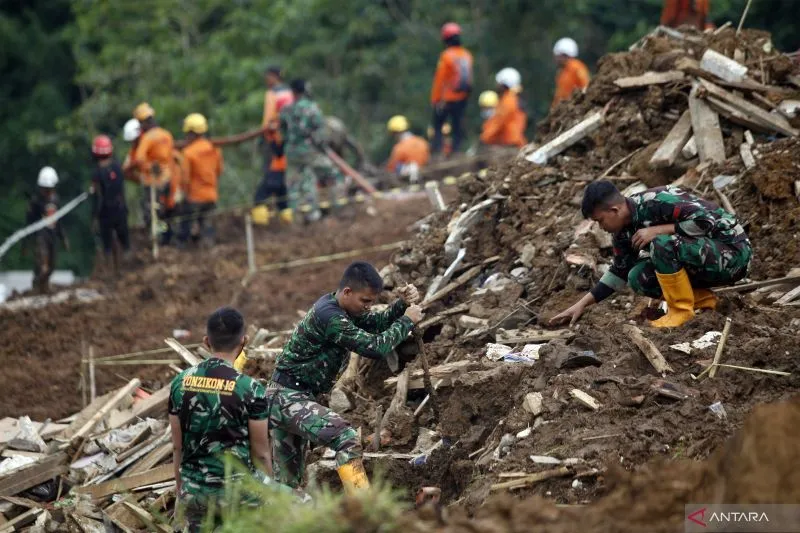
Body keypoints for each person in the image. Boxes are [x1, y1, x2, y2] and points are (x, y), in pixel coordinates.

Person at [267, 262, 424, 492]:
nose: (368, 307)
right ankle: (363, 512)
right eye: (365, 301)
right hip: (287, 397)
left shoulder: (344, 309)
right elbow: (375, 347)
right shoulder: (330, 316)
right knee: (345, 437)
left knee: (288, 484)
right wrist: (407, 320)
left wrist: (401, 305)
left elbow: (377, 324)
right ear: (347, 292)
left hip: (290, 397)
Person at [549, 181, 752, 329]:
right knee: (637, 276)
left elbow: (709, 222)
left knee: (661, 243)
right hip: (703, 260)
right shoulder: (622, 233)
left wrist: (659, 230)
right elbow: (619, 272)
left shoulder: (659, 201)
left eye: (600, 221)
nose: (601, 227)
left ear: (614, 210)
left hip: (733, 254)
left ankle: (681, 312)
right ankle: (709, 302)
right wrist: (581, 305)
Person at [169, 307, 275, 532]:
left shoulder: (179, 382)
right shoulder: (250, 389)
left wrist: (182, 491)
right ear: (244, 341)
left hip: (193, 492)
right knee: (305, 504)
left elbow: (177, 447)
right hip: (237, 494)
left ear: (206, 341)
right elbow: (262, 454)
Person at [280, 79, 345, 223]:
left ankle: (297, 218)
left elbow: (282, 132)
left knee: (294, 185)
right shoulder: (312, 108)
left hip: (291, 153)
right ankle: (337, 209)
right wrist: (321, 146)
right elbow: (320, 132)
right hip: (310, 151)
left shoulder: (286, 110)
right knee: (333, 174)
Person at [130, 103, 176, 233]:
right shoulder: (167, 134)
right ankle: (167, 235)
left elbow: (139, 159)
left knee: (151, 211)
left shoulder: (147, 138)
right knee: (165, 209)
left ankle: (156, 236)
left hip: (152, 181)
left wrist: (148, 166)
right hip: (167, 178)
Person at [179, 113, 223, 247]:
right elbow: (219, 170)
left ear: (191, 132)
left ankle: (185, 248)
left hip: (194, 197)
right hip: (211, 195)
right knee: (207, 227)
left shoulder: (188, 152)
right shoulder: (214, 148)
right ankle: (208, 250)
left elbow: (185, 178)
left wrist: (184, 194)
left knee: (185, 224)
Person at [430, 22, 473, 156]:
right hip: (462, 97)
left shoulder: (446, 56)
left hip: (447, 98)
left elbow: (440, 80)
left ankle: (437, 152)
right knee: (457, 125)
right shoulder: (467, 54)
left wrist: (436, 99)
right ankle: (456, 151)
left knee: (437, 125)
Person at [253, 91, 295, 226]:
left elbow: (278, 150)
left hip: (276, 169)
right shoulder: (294, 125)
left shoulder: (280, 127)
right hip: (285, 170)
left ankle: (261, 228)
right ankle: (288, 226)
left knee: (259, 198)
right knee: (282, 202)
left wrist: (270, 135)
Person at [25, 167, 69, 294]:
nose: (47, 192)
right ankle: (36, 285)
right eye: (45, 189)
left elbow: (59, 220)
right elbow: (29, 222)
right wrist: (27, 242)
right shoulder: (35, 201)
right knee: (43, 266)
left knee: (51, 267)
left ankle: (43, 287)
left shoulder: (56, 200)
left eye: (49, 189)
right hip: (41, 237)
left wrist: (63, 238)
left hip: (53, 236)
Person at [90, 135, 130, 272]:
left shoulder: (96, 173)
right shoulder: (118, 167)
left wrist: (94, 216)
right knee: (124, 240)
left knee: (107, 243)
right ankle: (125, 268)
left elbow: (97, 196)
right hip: (120, 209)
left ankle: (109, 271)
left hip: (105, 212)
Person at [480, 68, 527, 148]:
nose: (497, 85)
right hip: (513, 141)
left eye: (499, 83)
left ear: (505, 84)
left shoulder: (509, 100)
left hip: (511, 142)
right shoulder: (512, 98)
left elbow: (499, 121)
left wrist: (485, 137)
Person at [386, 115, 430, 183]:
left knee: (398, 167)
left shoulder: (399, 148)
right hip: (423, 170)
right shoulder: (422, 141)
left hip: (409, 176)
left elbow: (391, 167)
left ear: (395, 133)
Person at [552, 38, 591, 108]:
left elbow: (585, 85)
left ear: (564, 55)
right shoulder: (562, 72)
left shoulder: (577, 67)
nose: (556, 59)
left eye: (558, 56)